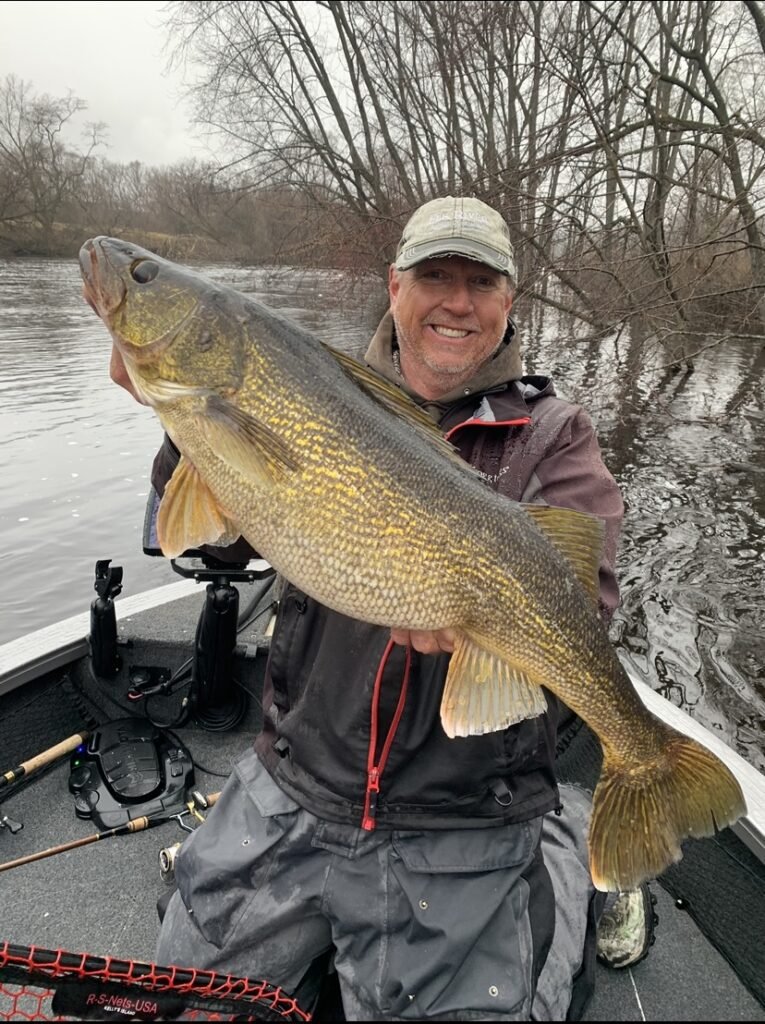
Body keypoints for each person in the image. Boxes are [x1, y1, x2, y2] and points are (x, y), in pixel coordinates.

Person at [111, 196, 654, 1020]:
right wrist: (186, 429)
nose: (456, 301)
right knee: (177, 999)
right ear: (393, 285)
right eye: (435, 276)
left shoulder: (553, 434)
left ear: (511, 301)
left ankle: (571, 849)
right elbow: (212, 549)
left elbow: (587, 604)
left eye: (480, 282)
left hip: (465, 812)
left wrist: (477, 616)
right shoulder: (301, 380)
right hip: (296, 778)